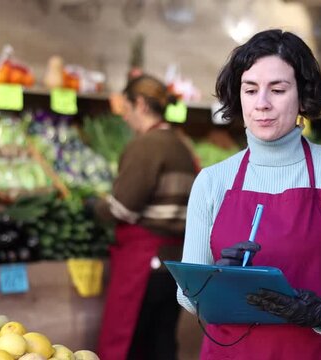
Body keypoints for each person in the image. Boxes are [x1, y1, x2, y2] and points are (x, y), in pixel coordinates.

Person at [177, 29, 321, 359]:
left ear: (302, 97)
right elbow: (185, 295)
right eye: (250, 90)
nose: (262, 104)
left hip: (310, 350)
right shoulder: (212, 182)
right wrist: (212, 281)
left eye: (277, 89)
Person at [91, 74, 198, 360]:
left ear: (139, 104)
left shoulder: (146, 146)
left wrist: (97, 205)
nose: (125, 118)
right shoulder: (182, 145)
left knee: (133, 345)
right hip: (174, 262)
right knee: (162, 342)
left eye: (125, 109)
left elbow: (123, 208)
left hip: (145, 262)